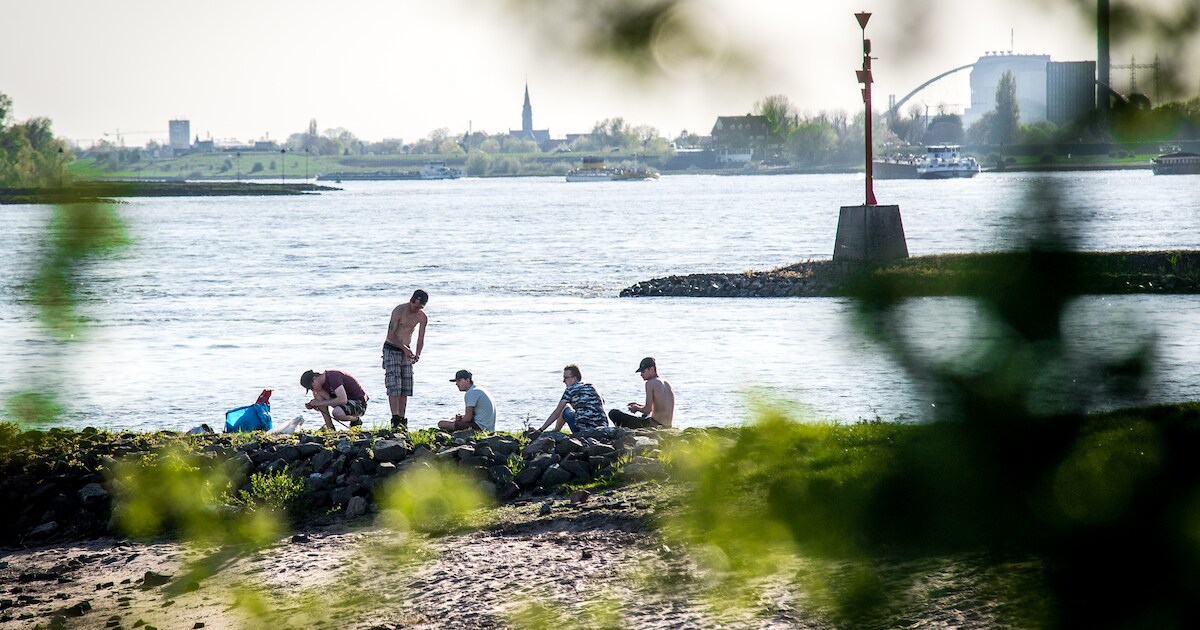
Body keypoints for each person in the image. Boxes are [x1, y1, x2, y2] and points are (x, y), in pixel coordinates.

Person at [382, 289, 429, 430]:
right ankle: (395, 417)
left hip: (406, 351)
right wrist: (404, 348)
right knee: (393, 384)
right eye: (415, 307)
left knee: (405, 385)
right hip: (392, 348)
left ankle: (402, 418)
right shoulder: (399, 311)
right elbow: (391, 334)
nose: (417, 310)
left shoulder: (422, 317)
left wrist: (418, 353)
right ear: (411, 300)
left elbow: (420, 338)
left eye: (420, 308)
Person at [536, 363, 609, 433]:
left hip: (583, 431)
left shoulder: (570, 390)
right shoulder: (591, 386)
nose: (563, 381)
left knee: (565, 407)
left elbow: (556, 413)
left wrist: (541, 429)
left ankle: (556, 431)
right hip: (603, 428)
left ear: (574, 378)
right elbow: (602, 402)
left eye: (566, 378)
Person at [608, 357, 675, 429]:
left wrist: (636, 408)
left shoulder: (650, 383)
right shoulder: (667, 383)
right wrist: (638, 405)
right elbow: (659, 408)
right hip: (667, 426)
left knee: (614, 413)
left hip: (654, 425)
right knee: (644, 416)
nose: (641, 374)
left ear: (652, 369)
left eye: (643, 371)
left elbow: (647, 410)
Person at [301, 369, 369, 430]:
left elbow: (343, 399)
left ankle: (356, 420)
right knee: (318, 394)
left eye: (311, 387)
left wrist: (319, 403)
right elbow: (328, 402)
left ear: (315, 379)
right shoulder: (320, 388)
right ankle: (330, 427)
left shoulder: (333, 377)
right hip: (345, 404)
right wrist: (316, 406)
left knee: (337, 413)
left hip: (359, 403)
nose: (313, 390)